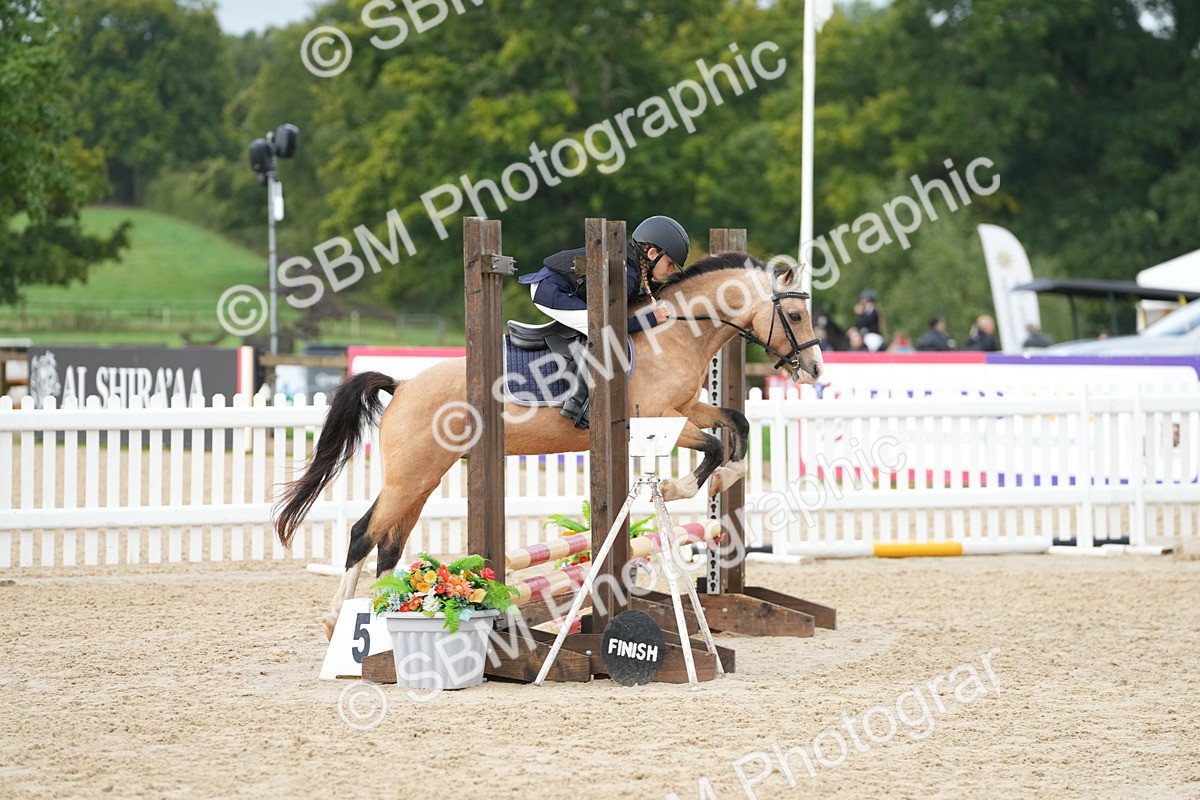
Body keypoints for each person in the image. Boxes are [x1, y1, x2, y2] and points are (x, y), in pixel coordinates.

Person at [516, 215, 689, 427]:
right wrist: (651, 318)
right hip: (552, 292)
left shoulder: (634, 267)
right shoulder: (628, 273)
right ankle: (577, 403)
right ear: (652, 253)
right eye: (670, 263)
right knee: (602, 333)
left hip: (560, 288)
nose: (671, 270)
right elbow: (614, 326)